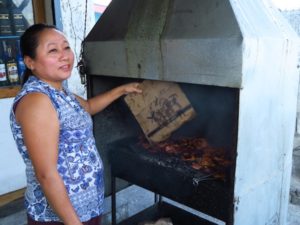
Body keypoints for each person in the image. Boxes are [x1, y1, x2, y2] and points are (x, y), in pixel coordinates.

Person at [10, 23, 142, 225]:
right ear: (30, 62)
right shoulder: (37, 101)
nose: (65, 55)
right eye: (53, 50)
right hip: (61, 217)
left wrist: (122, 90)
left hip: (85, 208)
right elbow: (46, 174)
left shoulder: (59, 92)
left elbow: (87, 107)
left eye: (66, 47)